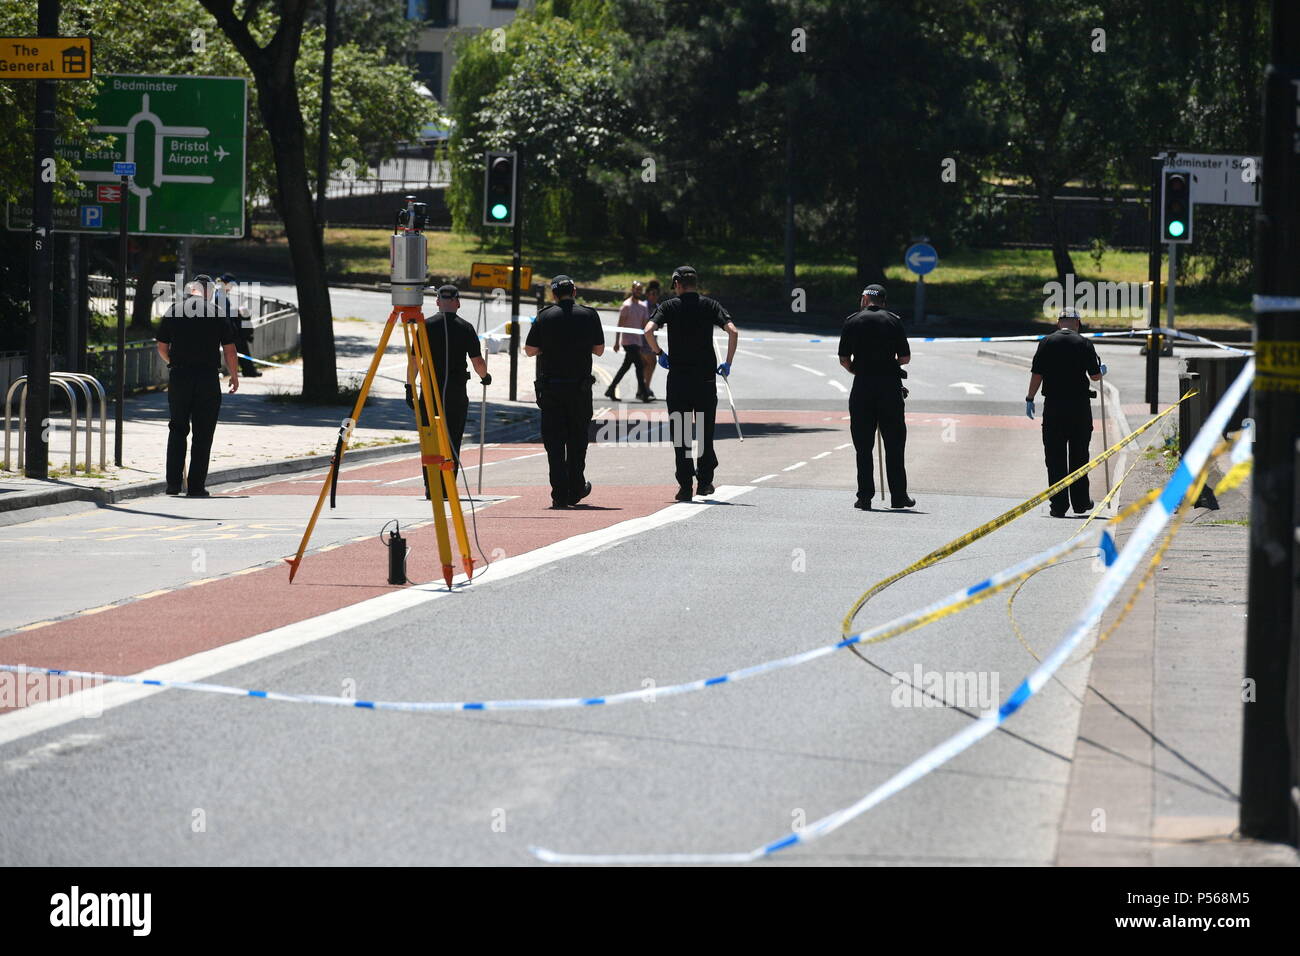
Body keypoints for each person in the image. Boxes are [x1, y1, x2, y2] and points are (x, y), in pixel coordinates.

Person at [642, 265, 738, 501]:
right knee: (705, 433)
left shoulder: (669, 306)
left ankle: (685, 486)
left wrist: (659, 353)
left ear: (677, 283)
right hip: (705, 380)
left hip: (678, 380)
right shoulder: (710, 305)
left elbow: (648, 330)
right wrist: (727, 363)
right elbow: (733, 332)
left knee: (682, 434)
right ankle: (705, 482)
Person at [155, 275, 239, 498]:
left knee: (177, 429)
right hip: (207, 378)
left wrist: (172, 362)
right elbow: (230, 350)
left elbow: (162, 346)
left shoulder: (174, 310)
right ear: (209, 292)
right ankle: (196, 487)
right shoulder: (217, 313)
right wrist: (234, 376)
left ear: (190, 290)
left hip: (180, 376)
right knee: (203, 434)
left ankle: (173, 485)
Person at [525, 275, 605, 508]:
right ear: (575, 291)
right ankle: (576, 488)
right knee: (578, 441)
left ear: (553, 294)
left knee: (554, 443)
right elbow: (599, 350)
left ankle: (559, 493)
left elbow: (530, 350)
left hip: (552, 389)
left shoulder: (544, 315)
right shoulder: (589, 315)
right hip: (579, 389)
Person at [405, 284, 490, 498]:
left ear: (437, 302)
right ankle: (447, 485)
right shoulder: (466, 327)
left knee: (429, 436)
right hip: (455, 390)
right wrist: (485, 377)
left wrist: (409, 386)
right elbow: (477, 361)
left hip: (430, 389)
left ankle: (430, 484)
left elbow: (415, 361)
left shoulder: (424, 325)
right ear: (458, 302)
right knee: (453, 436)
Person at [838, 283, 914, 511]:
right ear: (884, 301)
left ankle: (864, 497)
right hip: (889, 388)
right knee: (894, 444)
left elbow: (843, 358)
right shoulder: (893, 320)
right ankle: (899, 496)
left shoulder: (852, 321)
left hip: (862, 387)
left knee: (863, 446)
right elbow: (905, 357)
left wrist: (857, 370)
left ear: (864, 299)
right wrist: (887, 365)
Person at [1025, 308, 1105, 517]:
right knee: (1079, 455)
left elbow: (1037, 374)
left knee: (1054, 457)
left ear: (1059, 323)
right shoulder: (1085, 343)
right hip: (1079, 407)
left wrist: (1030, 398)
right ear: (1078, 323)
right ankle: (1080, 503)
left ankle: (1058, 506)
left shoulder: (1046, 342)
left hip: (1054, 406)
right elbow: (1095, 377)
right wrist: (1102, 370)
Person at [607, 281, 649, 402]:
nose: (639, 292)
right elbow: (619, 325)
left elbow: (645, 325)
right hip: (628, 342)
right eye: (637, 289)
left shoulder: (643, 307)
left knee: (625, 367)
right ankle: (644, 394)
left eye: (640, 290)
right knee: (639, 366)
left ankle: (611, 389)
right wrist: (616, 342)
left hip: (638, 341)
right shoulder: (626, 306)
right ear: (632, 290)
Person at [215, 272, 259, 377]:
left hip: (227, 327)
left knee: (240, 346)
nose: (232, 288)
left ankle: (249, 370)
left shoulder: (221, 293)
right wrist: (238, 312)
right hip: (227, 328)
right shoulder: (220, 295)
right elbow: (224, 313)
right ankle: (249, 371)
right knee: (241, 345)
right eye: (231, 285)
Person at [639, 279, 662, 400]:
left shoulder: (658, 307)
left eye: (656, 294)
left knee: (646, 365)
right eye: (652, 294)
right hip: (642, 340)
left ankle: (643, 388)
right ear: (647, 294)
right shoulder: (643, 306)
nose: (654, 296)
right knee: (651, 363)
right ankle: (645, 389)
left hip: (652, 340)